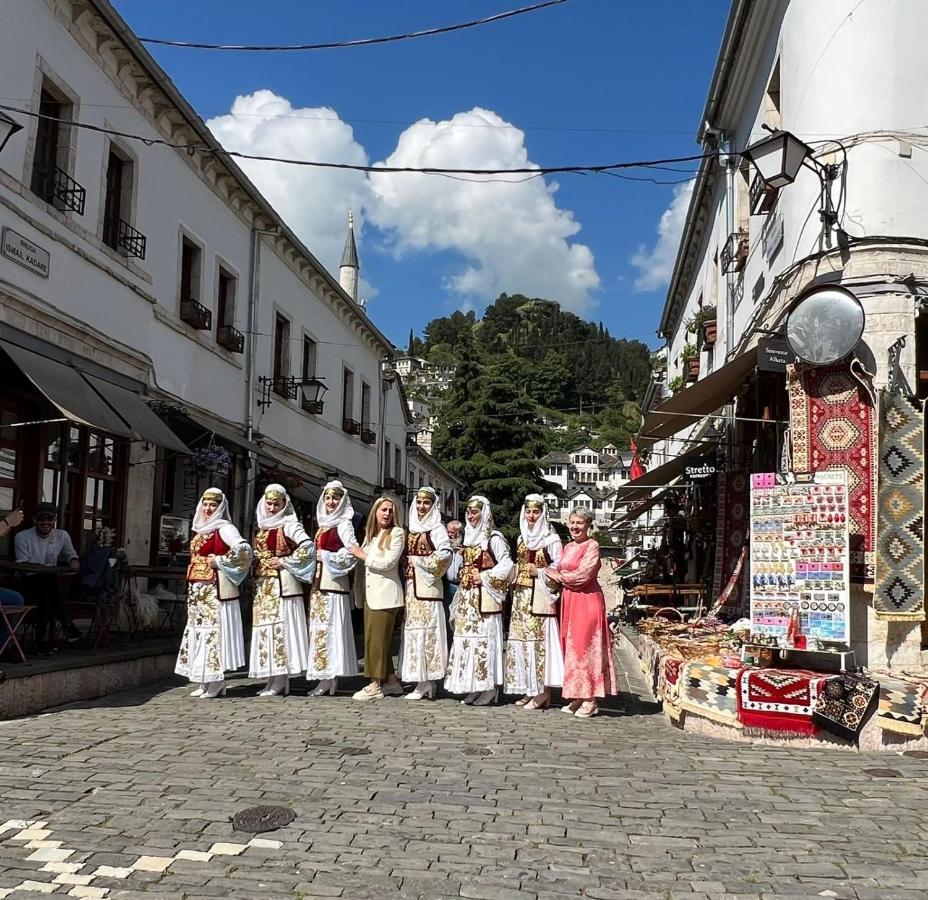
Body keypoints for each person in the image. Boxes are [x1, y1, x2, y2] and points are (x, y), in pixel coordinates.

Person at [175, 488, 252, 699]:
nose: (209, 509)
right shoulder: (200, 528)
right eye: (206, 504)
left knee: (212, 633)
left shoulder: (224, 528)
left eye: (213, 505)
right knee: (198, 631)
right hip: (197, 588)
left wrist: (219, 561)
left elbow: (244, 550)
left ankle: (216, 680)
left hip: (213, 589)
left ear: (220, 507)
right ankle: (203, 678)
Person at [544, 508, 617, 718]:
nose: (575, 527)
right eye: (572, 522)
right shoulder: (568, 547)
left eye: (580, 523)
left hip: (587, 600)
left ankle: (591, 699)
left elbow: (583, 575)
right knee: (572, 647)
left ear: (588, 525)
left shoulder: (592, 545)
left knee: (587, 647)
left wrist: (558, 576)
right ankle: (578, 693)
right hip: (570, 601)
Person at [249, 484, 316, 697]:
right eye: (269, 503)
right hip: (264, 586)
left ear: (284, 505)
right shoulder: (263, 526)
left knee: (280, 629)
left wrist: (287, 561)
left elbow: (308, 547)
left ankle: (280, 677)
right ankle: (271, 676)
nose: (271, 507)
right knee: (266, 629)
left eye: (276, 504)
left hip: (281, 586)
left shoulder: (289, 525)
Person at [446, 496, 513, 706]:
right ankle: (474, 685)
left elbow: (508, 565)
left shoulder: (494, 538)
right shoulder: (469, 539)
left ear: (484, 513)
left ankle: (489, 687)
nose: (471, 515)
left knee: (485, 642)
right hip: (467, 598)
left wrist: (484, 576)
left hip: (485, 598)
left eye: (475, 512)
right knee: (468, 643)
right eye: (468, 512)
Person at [504, 494, 564, 710]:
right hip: (521, 598)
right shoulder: (521, 538)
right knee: (522, 644)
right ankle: (529, 688)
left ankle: (542, 690)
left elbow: (560, 570)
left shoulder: (551, 540)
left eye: (536, 511)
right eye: (528, 511)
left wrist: (539, 571)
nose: (531, 516)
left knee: (539, 645)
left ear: (543, 513)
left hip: (540, 598)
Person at [398, 488, 452, 701]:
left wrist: (420, 562)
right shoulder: (412, 529)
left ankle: (427, 679)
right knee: (414, 632)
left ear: (433, 506)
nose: (421, 507)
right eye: (419, 503)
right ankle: (420, 679)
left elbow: (445, 555)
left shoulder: (436, 528)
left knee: (427, 633)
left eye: (426, 503)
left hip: (428, 590)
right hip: (412, 589)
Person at [349, 495, 405, 701]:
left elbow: (388, 563)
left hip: (385, 595)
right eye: (384, 509)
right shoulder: (372, 535)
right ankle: (391, 682)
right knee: (378, 640)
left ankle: (374, 685)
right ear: (375, 512)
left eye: (390, 510)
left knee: (375, 641)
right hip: (370, 594)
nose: (387, 513)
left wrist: (361, 555)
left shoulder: (397, 533)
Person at [307, 480, 360, 695]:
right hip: (319, 585)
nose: (330, 502)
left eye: (335, 498)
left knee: (330, 629)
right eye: (328, 498)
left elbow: (352, 551)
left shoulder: (343, 524)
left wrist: (327, 556)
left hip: (333, 584)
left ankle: (331, 676)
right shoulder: (323, 525)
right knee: (319, 629)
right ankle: (324, 675)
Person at [14, 503, 81, 654]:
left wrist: (74, 562)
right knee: (49, 580)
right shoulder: (22, 537)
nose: (45, 522)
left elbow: (71, 555)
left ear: (55, 520)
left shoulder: (62, 535)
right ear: (34, 520)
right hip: (26, 583)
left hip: (48, 587)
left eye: (49, 518)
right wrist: (44, 570)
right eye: (41, 519)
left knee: (47, 591)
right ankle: (66, 624)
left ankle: (42, 643)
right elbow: (23, 567)